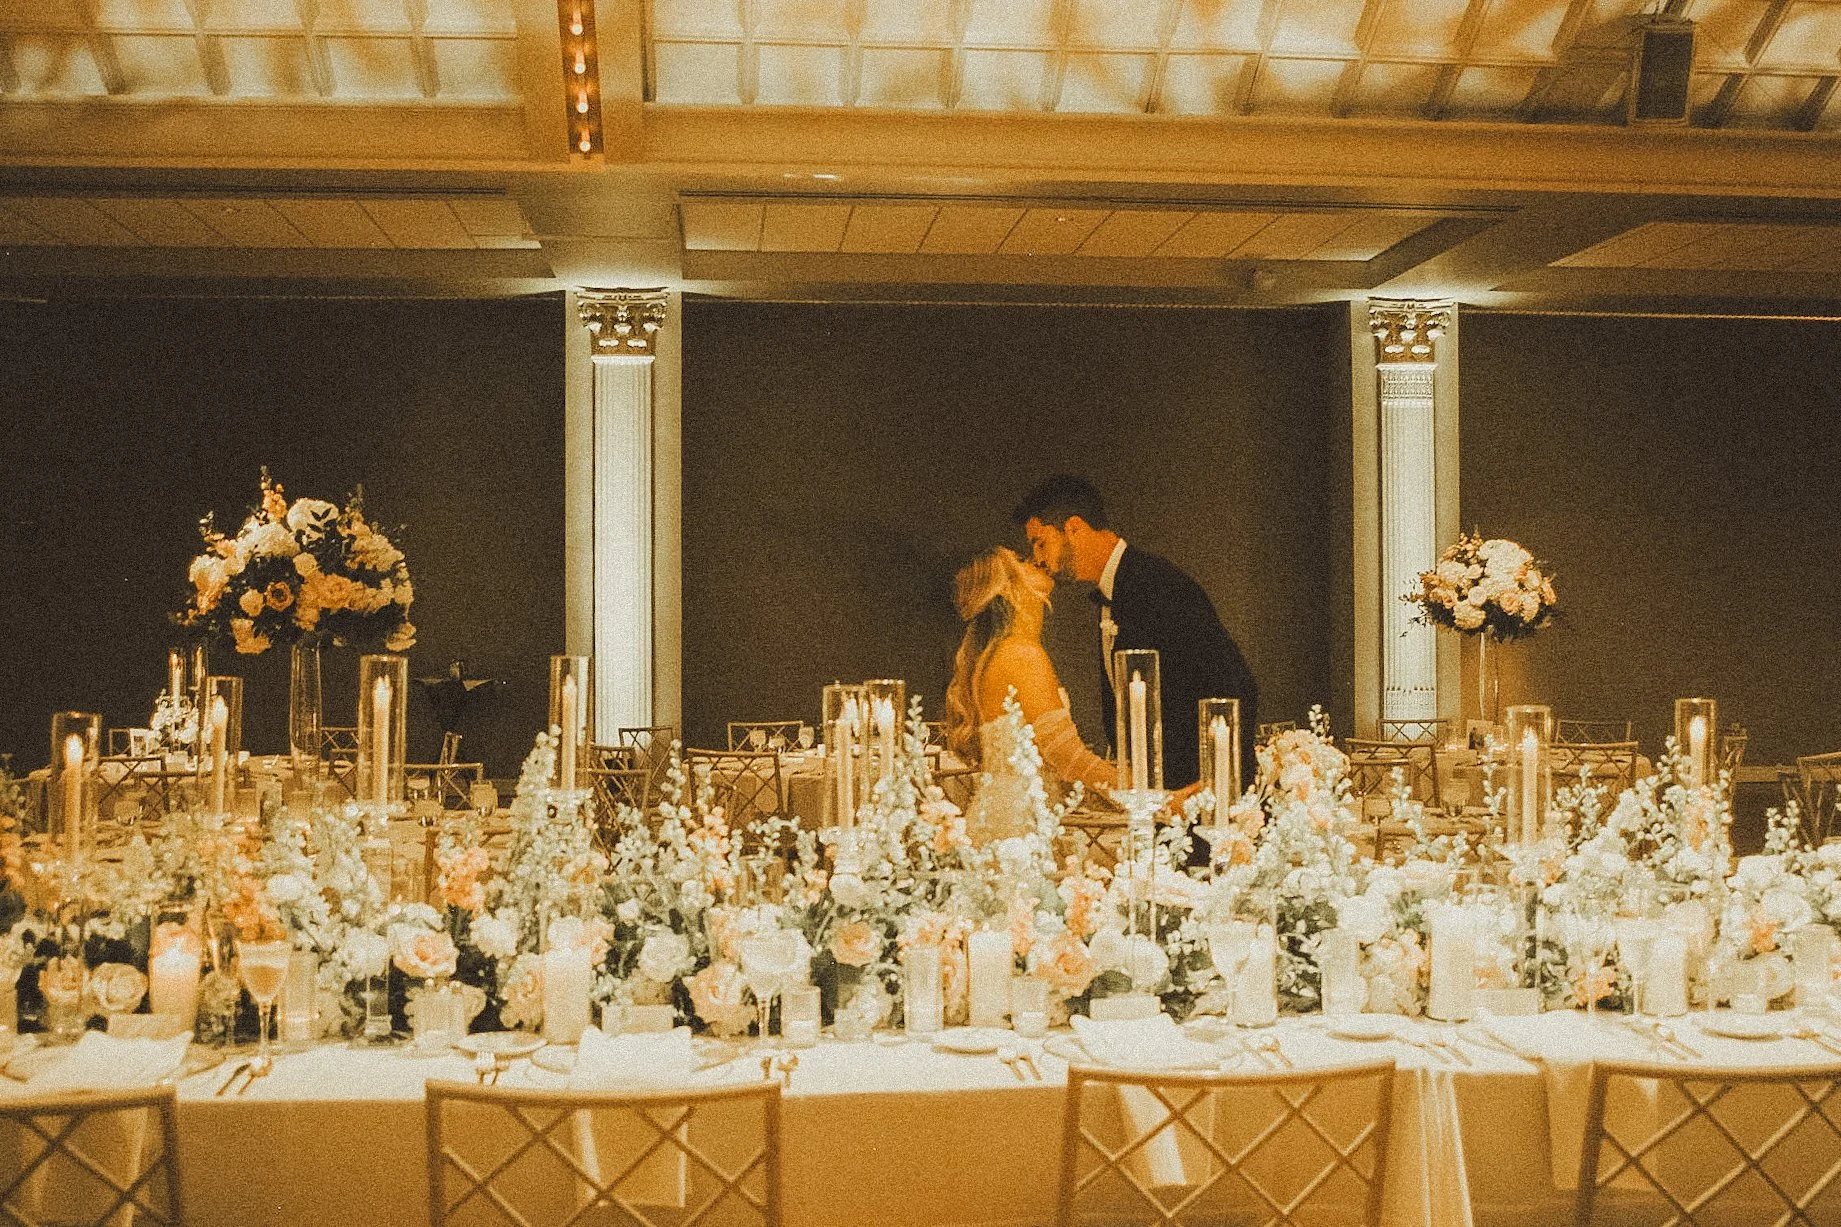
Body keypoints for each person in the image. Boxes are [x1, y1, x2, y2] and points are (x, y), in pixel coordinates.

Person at [1014, 475, 1258, 802]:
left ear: (1073, 528)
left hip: (1191, 793)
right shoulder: (1114, 591)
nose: (1038, 558)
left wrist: (1214, 788)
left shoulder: (1157, 584)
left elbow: (1233, 683)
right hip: (1156, 794)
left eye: (1040, 543)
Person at [944, 546, 1114, 843]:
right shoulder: (1021, 654)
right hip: (1019, 827)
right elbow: (1068, 758)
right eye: (1021, 560)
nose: (1035, 559)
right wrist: (1150, 796)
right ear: (1005, 587)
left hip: (1010, 817)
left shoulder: (1002, 652)